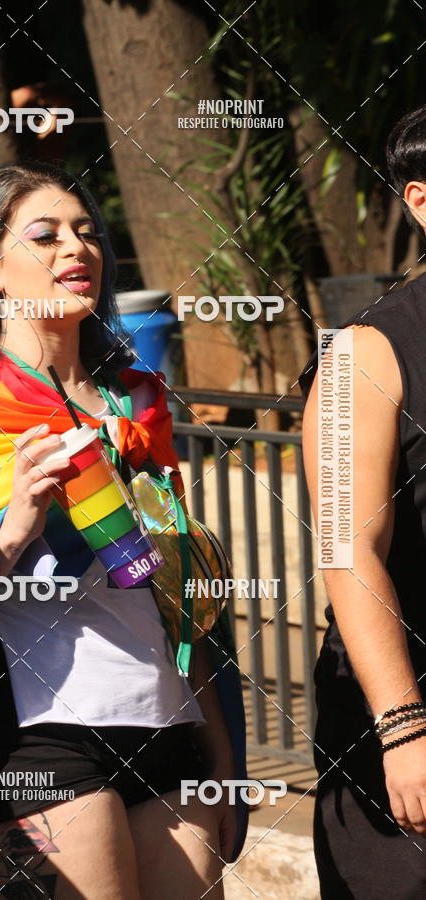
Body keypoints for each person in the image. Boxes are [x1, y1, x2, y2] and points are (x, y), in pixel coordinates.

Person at [0, 160, 248, 898]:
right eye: (45, 236)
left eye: (86, 232)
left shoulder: (138, 402)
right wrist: (11, 527)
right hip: (32, 741)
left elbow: (176, 598)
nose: (76, 248)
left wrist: (224, 759)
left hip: (167, 728)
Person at [300, 105, 426, 898]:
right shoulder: (361, 356)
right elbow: (349, 551)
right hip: (400, 719)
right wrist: (405, 727)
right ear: (422, 200)